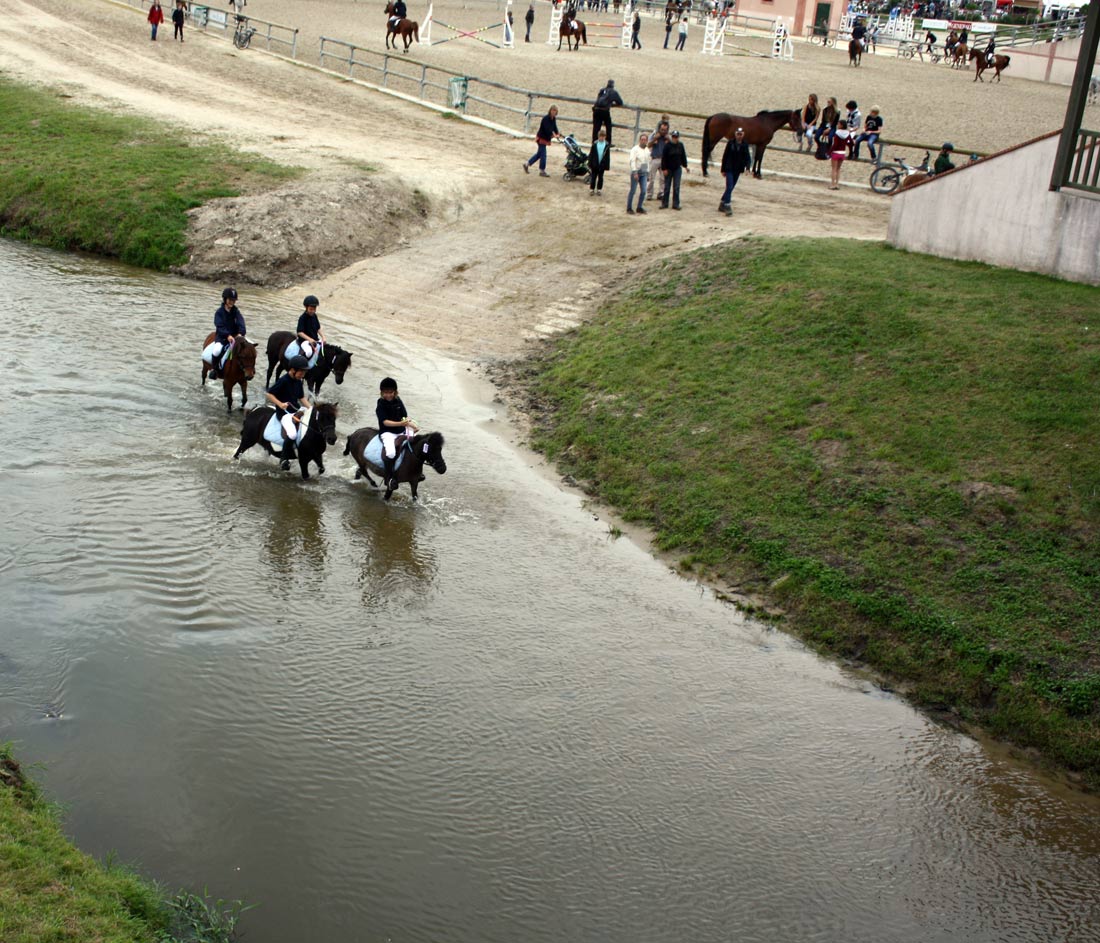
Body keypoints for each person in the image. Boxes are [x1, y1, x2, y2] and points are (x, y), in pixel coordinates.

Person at [266, 355, 311, 469]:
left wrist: (312, 409)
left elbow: (302, 398)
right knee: (292, 434)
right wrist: (280, 404)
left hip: (296, 411)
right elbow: (269, 394)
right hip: (284, 414)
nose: (303, 375)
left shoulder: (298, 381)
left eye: (304, 372)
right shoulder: (283, 381)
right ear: (293, 369)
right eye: (301, 372)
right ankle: (284, 458)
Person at [376, 377, 419, 486]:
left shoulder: (398, 401)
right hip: (387, 432)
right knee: (390, 453)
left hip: (401, 430)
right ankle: (389, 478)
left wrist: (413, 426)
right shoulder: (381, 404)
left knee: (416, 444)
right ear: (382, 393)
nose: (388, 395)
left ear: (395, 392)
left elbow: (404, 417)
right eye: (385, 393)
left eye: (390, 392)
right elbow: (385, 422)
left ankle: (416, 472)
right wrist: (400, 424)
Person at [203, 287, 246, 379]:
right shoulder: (219, 312)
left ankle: (246, 369)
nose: (232, 302)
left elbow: (241, 322)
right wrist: (227, 335)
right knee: (217, 350)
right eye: (230, 300)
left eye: (234, 300)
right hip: (222, 337)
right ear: (225, 299)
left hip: (235, 337)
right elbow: (219, 326)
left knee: (248, 348)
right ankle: (214, 370)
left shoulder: (236, 311)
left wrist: (240, 333)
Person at [718, 127, 751, 217]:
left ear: (743, 135)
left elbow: (747, 157)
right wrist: (723, 169)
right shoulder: (730, 143)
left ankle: (722, 202)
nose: (739, 136)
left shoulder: (745, 145)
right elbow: (725, 156)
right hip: (729, 168)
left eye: (741, 134)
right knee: (729, 186)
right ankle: (727, 206)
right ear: (735, 134)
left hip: (738, 169)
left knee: (731, 187)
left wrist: (747, 167)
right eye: (738, 134)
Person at [524, 105, 562, 176]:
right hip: (541, 138)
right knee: (543, 155)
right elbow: (548, 130)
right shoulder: (546, 119)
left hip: (545, 138)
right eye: (552, 110)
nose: (553, 112)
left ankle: (527, 164)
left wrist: (558, 133)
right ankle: (542, 171)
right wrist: (554, 135)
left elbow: (554, 127)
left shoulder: (553, 119)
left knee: (539, 154)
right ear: (550, 110)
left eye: (555, 111)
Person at [293, 295, 326, 368]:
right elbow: (299, 332)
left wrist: (323, 337)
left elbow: (318, 328)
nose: (313, 311)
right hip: (304, 340)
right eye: (311, 309)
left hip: (314, 339)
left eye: (314, 309)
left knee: (325, 349)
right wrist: (309, 339)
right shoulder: (302, 318)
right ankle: (301, 367)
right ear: (306, 307)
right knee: (308, 352)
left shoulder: (314, 316)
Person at [659, 129, 688, 210]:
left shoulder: (681, 145)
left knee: (676, 187)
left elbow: (683, 156)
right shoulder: (667, 146)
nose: (675, 138)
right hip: (668, 169)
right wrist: (664, 169)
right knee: (667, 187)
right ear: (672, 137)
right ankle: (665, 203)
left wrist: (685, 166)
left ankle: (676, 204)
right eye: (674, 137)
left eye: (676, 137)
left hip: (677, 169)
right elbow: (664, 158)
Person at [592, 80, 623, 146]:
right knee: (608, 126)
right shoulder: (614, 92)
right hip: (604, 110)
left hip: (596, 110)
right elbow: (620, 102)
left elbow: (598, 99)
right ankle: (608, 142)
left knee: (596, 127)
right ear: (613, 85)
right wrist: (612, 103)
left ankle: (594, 142)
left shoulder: (602, 90)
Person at [647, 119, 670, 200]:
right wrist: (654, 140)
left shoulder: (667, 138)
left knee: (663, 178)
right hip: (655, 158)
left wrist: (669, 140)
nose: (663, 131)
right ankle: (649, 194)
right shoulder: (654, 135)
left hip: (664, 159)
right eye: (662, 129)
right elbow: (648, 145)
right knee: (651, 178)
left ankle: (661, 193)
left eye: (665, 130)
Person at [627, 132, 649, 214]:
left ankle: (639, 207)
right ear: (639, 140)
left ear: (646, 141)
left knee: (643, 191)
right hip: (636, 172)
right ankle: (629, 207)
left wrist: (647, 173)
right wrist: (635, 172)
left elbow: (646, 162)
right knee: (633, 190)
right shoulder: (634, 149)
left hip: (643, 173)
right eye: (642, 139)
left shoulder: (646, 150)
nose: (643, 141)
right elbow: (632, 161)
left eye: (645, 140)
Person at [828, 121, 852, 189]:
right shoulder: (847, 133)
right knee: (838, 169)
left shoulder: (837, 133)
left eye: (838, 124)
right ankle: (837, 184)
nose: (837, 125)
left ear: (841, 125)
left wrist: (829, 152)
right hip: (842, 153)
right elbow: (850, 143)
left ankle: (832, 184)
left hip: (836, 152)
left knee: (834, 169)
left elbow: (835, 144)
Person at [588, 128, 611, 195]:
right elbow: (591, 154)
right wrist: (590, 163)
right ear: (598, 136)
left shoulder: (606, 145)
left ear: (605, 137)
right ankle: (592, 189)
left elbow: (607, 157)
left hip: (602, 164)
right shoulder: (595, 144)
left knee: (600, 177)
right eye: (601, 136)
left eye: (603, 136)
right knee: (593, 177)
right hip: (595, 164)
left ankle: (599, 189)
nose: (602, 138)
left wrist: (606, 165)